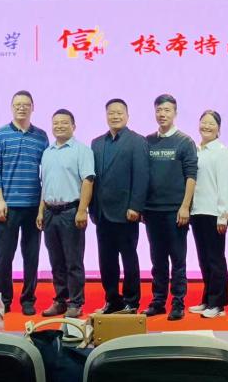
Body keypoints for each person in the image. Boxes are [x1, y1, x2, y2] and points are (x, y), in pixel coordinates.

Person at [0, 90, 50, 315]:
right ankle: (3, 300)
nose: (21, 108)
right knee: (4, 257)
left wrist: (42, 208)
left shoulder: (41, 136)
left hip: (33, 206)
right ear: (11, 107)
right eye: (17, 104)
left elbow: (46, 172)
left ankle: (28, 299)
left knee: (31, 256)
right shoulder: (0, 135)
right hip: (8, 206)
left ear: (33, 107)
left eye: (26, 104)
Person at [90, 98, 149, 315]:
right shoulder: (97, 143)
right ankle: (112, 299)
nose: (115, 116)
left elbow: (142, 176)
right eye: (111, 113)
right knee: (106, 260)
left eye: (119, 112)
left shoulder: (137, 141)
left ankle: (132, 301)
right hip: (101, 213)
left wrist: (136, 206)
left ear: (127, 115)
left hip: (126, 212)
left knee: (129, 257)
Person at [142, 94, 198, 321]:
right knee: (157, 260)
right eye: (159, 110)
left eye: (166, 110)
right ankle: (158, 301)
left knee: (177, 259)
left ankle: (178, 302)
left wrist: (185, 207)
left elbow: (191, 176)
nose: (162, 114)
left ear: (175, 113)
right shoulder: (147, 141)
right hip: (152, 211)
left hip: (176, 211)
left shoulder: (185, 142)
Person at [37, 109, 95, 318]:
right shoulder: (47, 152)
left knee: (73, 261)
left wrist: (82, 210)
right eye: (56, 123)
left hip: (71, 212)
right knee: (56, 261)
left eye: (64, 122)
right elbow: (45, 185)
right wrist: (40, 211)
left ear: (73, 126)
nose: (59, 126)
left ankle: (76, 302)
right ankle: (60, 300)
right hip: (50, 212)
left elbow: (88, 181)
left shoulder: (82, 150)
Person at [189, 110, 228, 319]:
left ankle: (218, 303)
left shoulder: (221, 152)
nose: (206, 126)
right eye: (203, 122)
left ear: (218, 128)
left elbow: (225, 184)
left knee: (216, 259)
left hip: (213, 212)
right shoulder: (196, 150)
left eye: (211, 123)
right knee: (204, 259)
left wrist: (223, 215)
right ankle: (207, 299)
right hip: (197, 211)